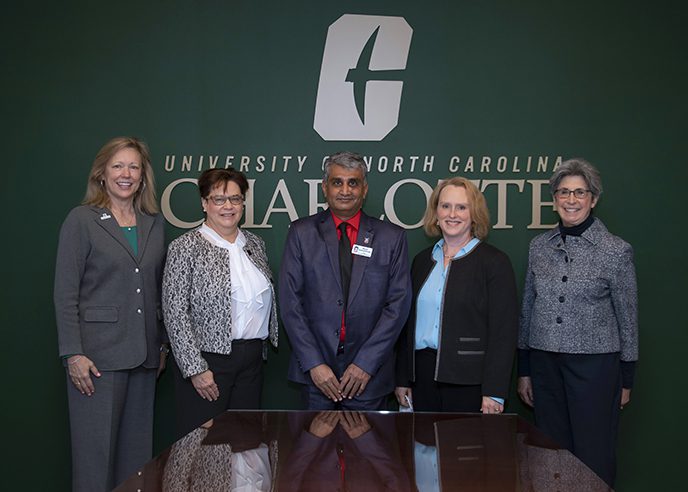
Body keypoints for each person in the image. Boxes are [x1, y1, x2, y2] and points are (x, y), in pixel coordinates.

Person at [54, 136, 167, 491]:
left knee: (136, 464)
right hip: (97, 359)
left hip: (145, 358)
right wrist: (73, 353)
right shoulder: (82, 220)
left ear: (143, 176)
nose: (126, 174)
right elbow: (65, 293)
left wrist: (161, 346)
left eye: (134, 166)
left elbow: (157, 290)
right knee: (95, 460)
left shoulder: (153, 223)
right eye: (118, 165)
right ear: (102, 173)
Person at [516, 158, 638, 487]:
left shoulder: (616, 251)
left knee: (593, 453)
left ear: (593, 199)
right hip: (544, 366)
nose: (571, 200)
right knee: (548, 451)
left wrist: (626, 377)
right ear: (554, 199)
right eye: (564, 192)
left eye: (580, 192)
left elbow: (628, 318)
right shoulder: (538, 247)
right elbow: (529, 307)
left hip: (595, 370)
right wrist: (524, 368)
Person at [279, 151, 412, 410]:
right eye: (337, 182)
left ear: (364, 189)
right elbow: (290, 303)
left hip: (368, 378)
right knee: (315, 450)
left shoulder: (391, 238)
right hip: (316, 377)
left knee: (364, 450)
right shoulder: (301, 233)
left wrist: (365, 363)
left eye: (353, 182)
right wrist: (315, 364)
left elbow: (397, 306)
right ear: (324, 188)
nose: (345, 190)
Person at [162, 168, 278, 438]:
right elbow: (175, 312)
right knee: (206, 452)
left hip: (251, 362)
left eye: (236, 199)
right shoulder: (185, 247)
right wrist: (195, 369)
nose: (229, 206)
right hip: (208, 364)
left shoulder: (255, 244)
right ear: (204, 203)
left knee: (246, 446)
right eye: (219, 199)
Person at [395, 177, 518, 413]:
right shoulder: (422, 261)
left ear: (474, 214)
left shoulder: (494, 262)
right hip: (421, 379)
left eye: (462, 207)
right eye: (445, 206)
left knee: (464, 450)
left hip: (470, 381)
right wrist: (402, 379)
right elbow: (406, 324)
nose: (452, 214)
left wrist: (494, 392)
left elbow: (504, 332)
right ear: (436, 212)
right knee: (423, 448)